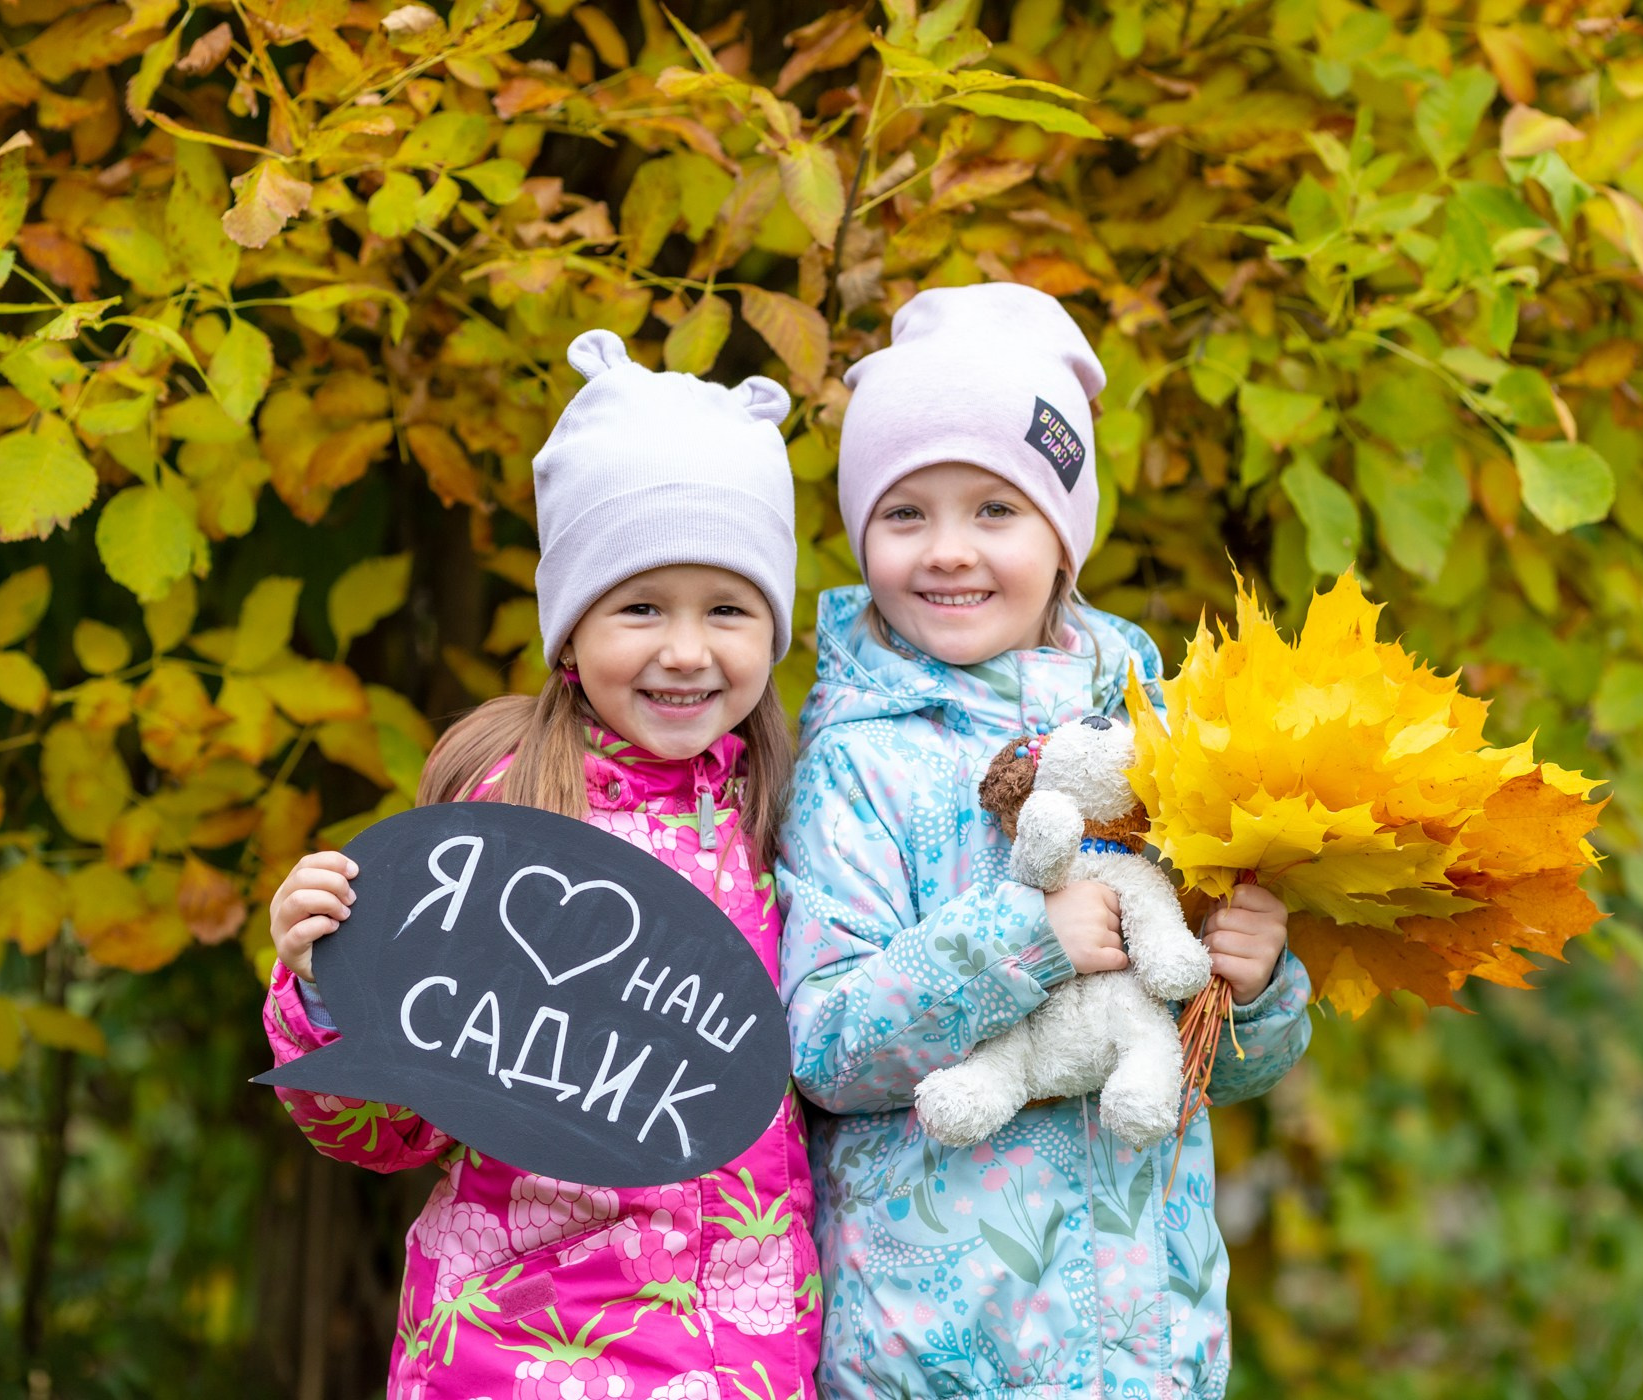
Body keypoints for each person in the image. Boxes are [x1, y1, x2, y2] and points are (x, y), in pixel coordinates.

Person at [264, 330, 820, 1400]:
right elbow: (385, 1124)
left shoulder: (791, 823)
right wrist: (325, 992)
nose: (687, 649)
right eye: (642, 605)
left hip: (743, 1354)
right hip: (507, 1348)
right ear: (571, 624)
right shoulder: (500, 820)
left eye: (729, 608)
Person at [779, 283, 1312, 1398]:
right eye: (905, 512)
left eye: (996, 510)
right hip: (932, 1349)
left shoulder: (1161, 738)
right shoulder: (858, 759)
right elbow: (824, 1044)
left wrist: (1253, 987)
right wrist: (1033, 936)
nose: (948, 551)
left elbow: (1221, 1067)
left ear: (1065, 537)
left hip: (1143, 1348)